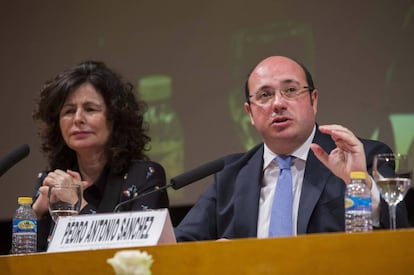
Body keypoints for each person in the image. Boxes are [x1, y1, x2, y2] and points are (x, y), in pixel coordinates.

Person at [174, 55, 408, 241]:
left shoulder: (360, 157)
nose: (278, 103)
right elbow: (178, 246)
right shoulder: (230, 177)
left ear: (313, 100)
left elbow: (399, 229)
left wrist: (358, 182)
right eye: (265, 95)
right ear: (250, 113)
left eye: (291, 90)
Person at [32, 60, 169, 251]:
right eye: (69, 111)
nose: (78, 118)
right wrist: (35, 214)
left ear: (114, 119)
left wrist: (77, 205)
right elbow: (21, 264)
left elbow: (133, 255)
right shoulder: (51, 181)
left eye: (90, 109)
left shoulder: (145, 176)